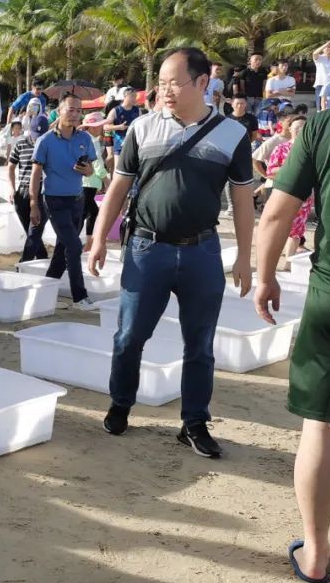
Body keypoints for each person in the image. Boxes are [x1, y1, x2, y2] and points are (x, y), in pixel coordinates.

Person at [88, 47, 255, 458]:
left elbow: (244, 200)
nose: (165, 91)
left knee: (200, 344)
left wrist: (245, 258)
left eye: (173, 83)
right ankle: (121, 403)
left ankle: (194, 422)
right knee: (129, 336)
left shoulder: (233, 134)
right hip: (147, 249)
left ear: (202, 82)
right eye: (160, 83)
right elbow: (118, 188)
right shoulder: (142, 129)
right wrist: (96, 240)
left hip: (203, 252)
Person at [254, 97, 330, 583]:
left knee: (323, 430)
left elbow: (277, 213)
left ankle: (315, 553)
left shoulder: (324, 126)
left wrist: (264, 274)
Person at [24, 93, 97, 308]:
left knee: (62, 250)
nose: (75, 114)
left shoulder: (84, 138)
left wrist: (87, 169)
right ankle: (79, 296)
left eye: (78, 110)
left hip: (77, 200)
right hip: (54, 201)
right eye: (71, 109)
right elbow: (36, 173)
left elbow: (91, 170)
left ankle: (45, 291)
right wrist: (33, 203)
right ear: (60, 110)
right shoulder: (46, 140)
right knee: (74, 247)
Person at [265, 116, 312, 260]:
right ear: (290, 129)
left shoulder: (312, 151)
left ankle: (289, 262)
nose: (299, 130)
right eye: (296, 127)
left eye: (303, 127)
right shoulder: (281, 148)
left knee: (297, 231)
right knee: (278, 227)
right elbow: (270, 171)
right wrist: (291, 169)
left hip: (304, 197)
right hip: (282, 194)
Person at [10, 114, 50, 262]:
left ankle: (23, 265)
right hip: (22, 192)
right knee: (32, 234)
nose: (37, 139)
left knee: (34, 232)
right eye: (35, 135)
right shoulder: (20, 143)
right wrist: (11, 188)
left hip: (42, 193)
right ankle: (43, 258)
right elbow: (10, 167)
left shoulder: (50, 144)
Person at [78, 111, 110, 238]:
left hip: (86, 181)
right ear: (93, 126)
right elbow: (96, 162)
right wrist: (105, 179)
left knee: (89, 211)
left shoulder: (85, 138)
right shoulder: (91, 141)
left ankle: (87, 241)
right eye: (100, 125)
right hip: (89, 181)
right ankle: (76, 242)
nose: (102, 128)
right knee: (86, 212)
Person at [102, 86, 141, 164]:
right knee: (118, 167)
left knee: (133, 168)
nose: (135, 99)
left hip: (134, 143)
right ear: (125, 96)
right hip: (120, 143)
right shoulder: (116, 110)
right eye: (132, 96)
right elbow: (105, 127)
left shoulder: (137, 110)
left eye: (135, 96)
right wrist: (119, 127)